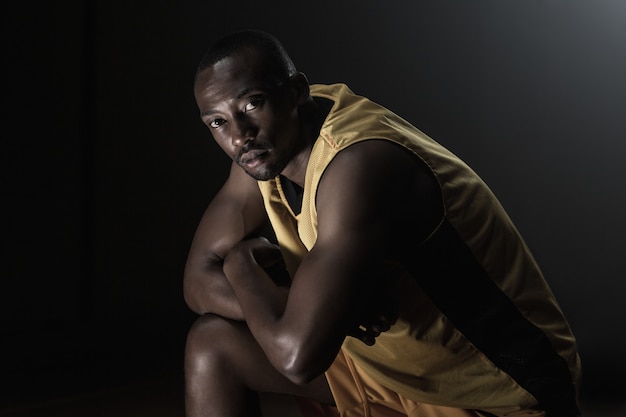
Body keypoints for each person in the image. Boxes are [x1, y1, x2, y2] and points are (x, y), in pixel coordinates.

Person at [183, 29, 581, 417]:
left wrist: (240, 265)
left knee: (288, 335)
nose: (238, 135)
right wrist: (314, 310)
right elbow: (196, 281)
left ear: (296, 92)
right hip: (385, 375)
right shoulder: (261, 150)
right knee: (211, 345)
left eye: (252, 104)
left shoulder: (358, 163)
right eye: (218, 122)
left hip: (495, 394)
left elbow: (295, 357)